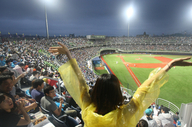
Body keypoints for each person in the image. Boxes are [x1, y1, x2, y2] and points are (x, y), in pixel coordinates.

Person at [49, 42, 192, 127]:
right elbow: (143, 91)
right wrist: (168, 66)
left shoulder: (87, 108)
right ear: (117, 93)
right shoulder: (123, 115)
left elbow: (80, 83)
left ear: (96, 91)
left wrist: (68, 55)